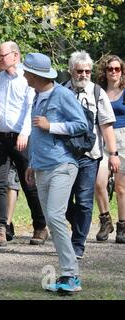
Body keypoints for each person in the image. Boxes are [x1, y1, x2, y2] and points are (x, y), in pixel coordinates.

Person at [23, 52, 87, 294]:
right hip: (41, 167)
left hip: (63, 164)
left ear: (36, 74)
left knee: (55, 216)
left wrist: (53, 126)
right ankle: (67, 273)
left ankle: (71, 275)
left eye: (26, 72)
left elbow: (81, 124)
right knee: (51, 220)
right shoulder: (37, 95)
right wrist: (32, 162)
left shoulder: (62, 94)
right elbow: (36, 134)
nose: (24, 75)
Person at [0, 41, 47, 248]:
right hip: (1, 137)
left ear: (15, 56)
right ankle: (0, 229)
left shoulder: (26, 78)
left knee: (29, 183)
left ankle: (40, 225)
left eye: (3, 56)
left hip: (22, 137)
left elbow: (31, 107)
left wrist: (25, 133)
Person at [63, 51, 119, 259]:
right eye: (79, 71)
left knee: (85, 201)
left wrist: (113, 154)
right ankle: (80, 223)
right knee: (63, 201)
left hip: (90, 154)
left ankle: (78, 244)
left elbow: (106, 126)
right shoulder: (61, 92)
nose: (84, 75)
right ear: (71, 71)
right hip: (65, 155)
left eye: (87, 71)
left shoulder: (97, 93)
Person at [94, 55, 125, 243]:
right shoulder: (99, 92)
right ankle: (105, 220)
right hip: (104, 138)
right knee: (99, 183)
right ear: (104, 72)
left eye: (117, 69)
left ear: (122, 71)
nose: (113, 72)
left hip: (123, 138)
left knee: (121, 188)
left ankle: (123, 225)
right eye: (110, 69)